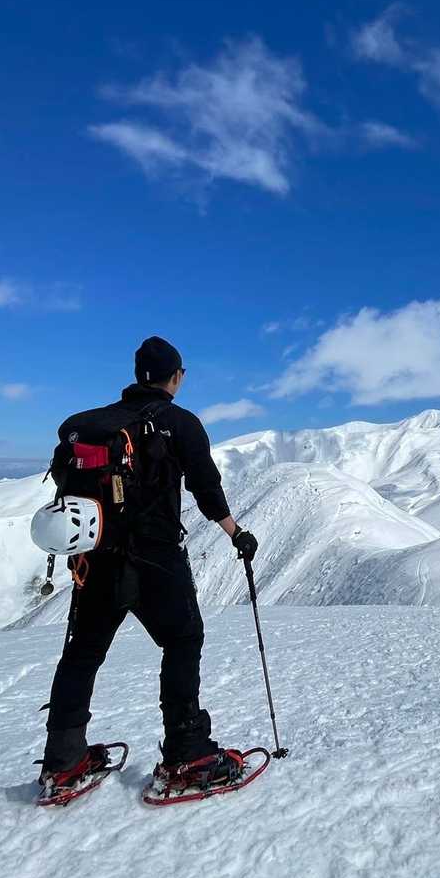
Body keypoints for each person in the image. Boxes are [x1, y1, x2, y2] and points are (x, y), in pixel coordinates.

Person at [38, 335, 259, 795]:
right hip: (156, 558)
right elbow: (206, 488)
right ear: (176, 376)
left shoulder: (89, 424)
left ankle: (63, 762)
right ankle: (186, 751)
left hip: (94, 559)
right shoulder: (181, 423)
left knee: (82, 654)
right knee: (182, 639)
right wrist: (236, 533)